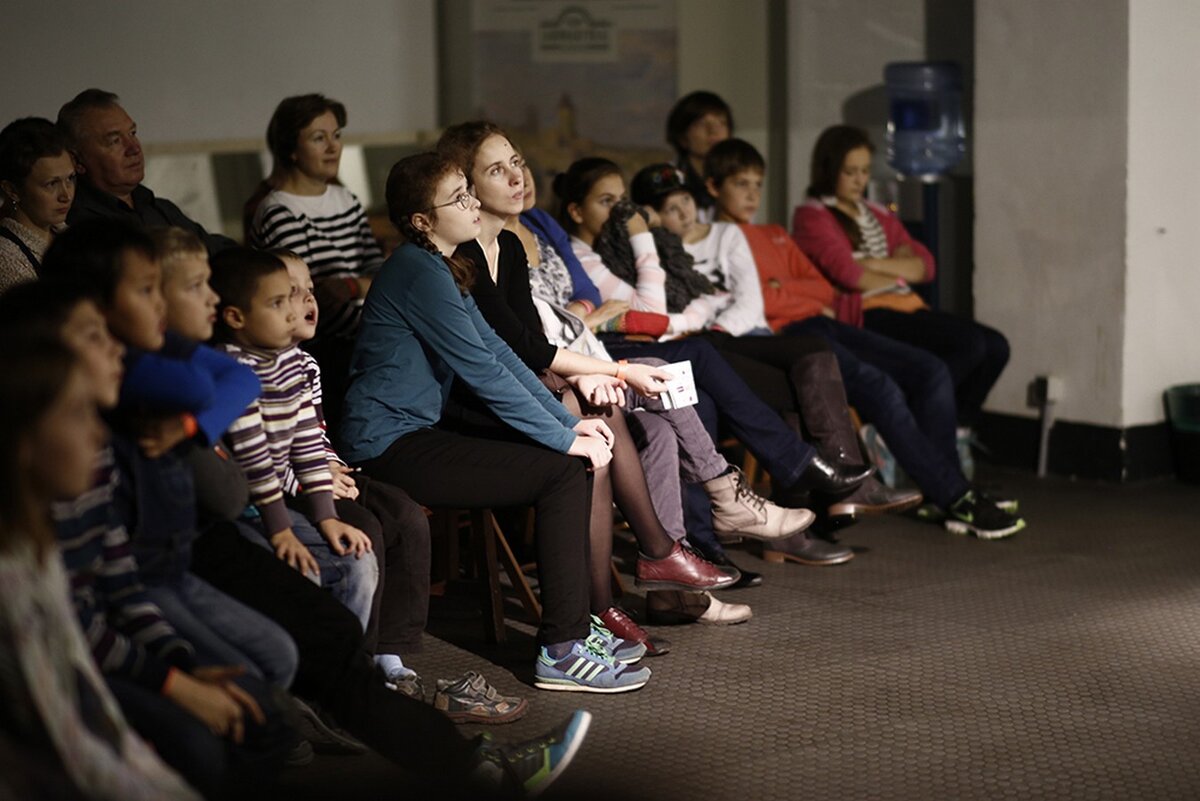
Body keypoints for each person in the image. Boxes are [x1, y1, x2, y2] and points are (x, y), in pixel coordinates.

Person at [437, 123, 807, 645]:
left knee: (652, 423)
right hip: (474, 403)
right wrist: (599, 373)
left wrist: (582, 373)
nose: (517, 176)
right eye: (497, 169)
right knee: (612, 414)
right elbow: (510, 351)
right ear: (467, 185)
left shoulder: (512, 247)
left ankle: (661, 582)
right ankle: (658, 561)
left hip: (532, 379)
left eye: (517, 162)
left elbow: (528, 344)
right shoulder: (463, 253)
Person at [341, 151, 652, 693]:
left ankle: (574, 635)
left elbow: (498, 352)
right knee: (562, 471)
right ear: (423, 221)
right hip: (385, 444)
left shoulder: (439, 267)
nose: (472, 203)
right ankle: (563, 647)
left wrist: (566, 426)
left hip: (414, 433)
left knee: (566, 465)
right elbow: (482, 371)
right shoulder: (417, 270)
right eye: (458, 197)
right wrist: (562, 436)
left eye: (468, 190)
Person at [557, 157, 885, 569]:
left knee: (797, 365)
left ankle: (762, 521)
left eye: (623, 200)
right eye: (607, 201)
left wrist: (674, 316)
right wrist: (643, 240)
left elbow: (699, 299)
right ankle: (718, 536)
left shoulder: (617, 247)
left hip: (675, 342)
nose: (621, 211)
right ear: (576, 211)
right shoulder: (587, 254)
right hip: (620, 356)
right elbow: (653, 309)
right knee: (702, 372)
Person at [707, 137, 1024, 538]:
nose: (753, 194)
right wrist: (786, 291)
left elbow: (822, 289)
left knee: (931, 370)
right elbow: (758, 303)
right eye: (741, 184)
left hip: (822, 320)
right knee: (880, 385)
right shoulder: (716, 240)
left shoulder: (773, 233)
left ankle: (945, 485)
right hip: (784, 335)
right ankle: (956, 495)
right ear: (714, 186)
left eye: (757, 184)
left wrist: (781, 288)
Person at [279, 249, 526, 722]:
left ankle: (390, 652)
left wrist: (332, 466)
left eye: (311, 290)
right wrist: (314, 477)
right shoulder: (247, 372)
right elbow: (261, 454)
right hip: (289, 486)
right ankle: (353, 663)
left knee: (405, 515)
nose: (309, 300)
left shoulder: (306, 365)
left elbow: (315, 435)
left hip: (325, 471)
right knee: (367, 528)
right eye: (290, 294)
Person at [0, 332, 201, 801]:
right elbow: (63, 748)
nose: (100, 434)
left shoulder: (36, 548)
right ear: (23, 441)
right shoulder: (9, 582)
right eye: (77, 414)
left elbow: (87, 694)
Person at [792, 124, 1011, 434]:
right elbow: (851, 275)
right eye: (850, 172)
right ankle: (908, 422)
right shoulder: (813, 216)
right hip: (867, 311)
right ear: (829, 171)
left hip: (905, 303)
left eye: (865, 171)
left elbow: (926, 266)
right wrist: (897, 269)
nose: (859, 180)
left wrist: (872, 263)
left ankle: (956, 427)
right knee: (969, 345)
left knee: (996, 346)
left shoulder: (876, 212)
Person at [208, 247, 379, 629]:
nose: (291, 312)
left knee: (357, 561)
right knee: (301, 576)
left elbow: (306, 442)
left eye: (292, 298)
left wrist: (326, 517)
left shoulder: (294, 363)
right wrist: (282, 530)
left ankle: (348, 659)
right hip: (239, 510)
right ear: (235, 317)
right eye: (277, 303)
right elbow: (253, 456)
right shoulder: (233, 369)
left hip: (275, 504)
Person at [247, 94, 384, 426]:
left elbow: (378, 272)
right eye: (318, 138)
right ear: (291, 149)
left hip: (364, 332)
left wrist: (352, 286)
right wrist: (376, 327)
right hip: (324, 348)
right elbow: (312, 300)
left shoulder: (347, 200)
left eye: (336, 135)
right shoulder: (279, 211)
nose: (333, 147)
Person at [56, 89, 235, 254]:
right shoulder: (80, 226)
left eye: (133, 133)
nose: (134, 148)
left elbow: (218, 251)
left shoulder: (159, 208)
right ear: (77, 160)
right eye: (115, 141)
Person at [0, 117, 74, 290]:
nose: (66, 195)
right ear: (12, 190)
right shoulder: (6, 259)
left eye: (70, 179)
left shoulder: (71, 235)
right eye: (51, 184)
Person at [665, 91, 734, 223]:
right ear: (683, 136)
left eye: (722, 123)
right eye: (702, 123)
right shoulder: (667, 179)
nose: (713, 131)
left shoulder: (737, 178)